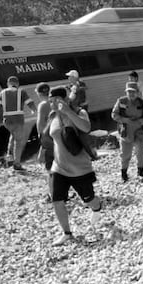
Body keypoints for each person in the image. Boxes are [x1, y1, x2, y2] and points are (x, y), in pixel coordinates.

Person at [46, 86, 102, 246]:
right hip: (59, 168)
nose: (51, 104)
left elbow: (86, 127)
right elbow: (52, 138)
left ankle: (97, 209)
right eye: (50, 101)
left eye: (54, 101)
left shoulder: (78, 112)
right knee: (56, 199)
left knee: (89, 199)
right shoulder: (53, 116)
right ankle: (67, 233)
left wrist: (68, 112)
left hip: (80, 168)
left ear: (63, 99)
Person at [111, 81, 143, 183]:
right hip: (126, 131)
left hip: (139, 132)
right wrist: (125, 120)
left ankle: (140, 173)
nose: (131, 94)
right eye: (129, 92)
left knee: (140, 152)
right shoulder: (121, 101)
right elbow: (114, 115)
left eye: (133, 92)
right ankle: (124, 175)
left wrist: (141, 121)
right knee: (125, 154)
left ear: (137, 92)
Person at [0, 76, 36, 171]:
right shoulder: (22, 91)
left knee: (13, 135)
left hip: (7, 121)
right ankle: (16, 164)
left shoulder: (2, 92)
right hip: (18, 120)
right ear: (17, 84)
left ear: (8, 84)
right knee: (18, 141)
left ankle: (9, 154)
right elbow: (29, 102)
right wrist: (34, 110)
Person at [35, 83, 54, 198]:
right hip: (57, 136)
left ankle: (53, 194)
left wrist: (41, 139)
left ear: (39, 93)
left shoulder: (43, 105)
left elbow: (40, 123)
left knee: (50, 168)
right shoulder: (55, 102)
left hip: (48, 138)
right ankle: (64, 191)